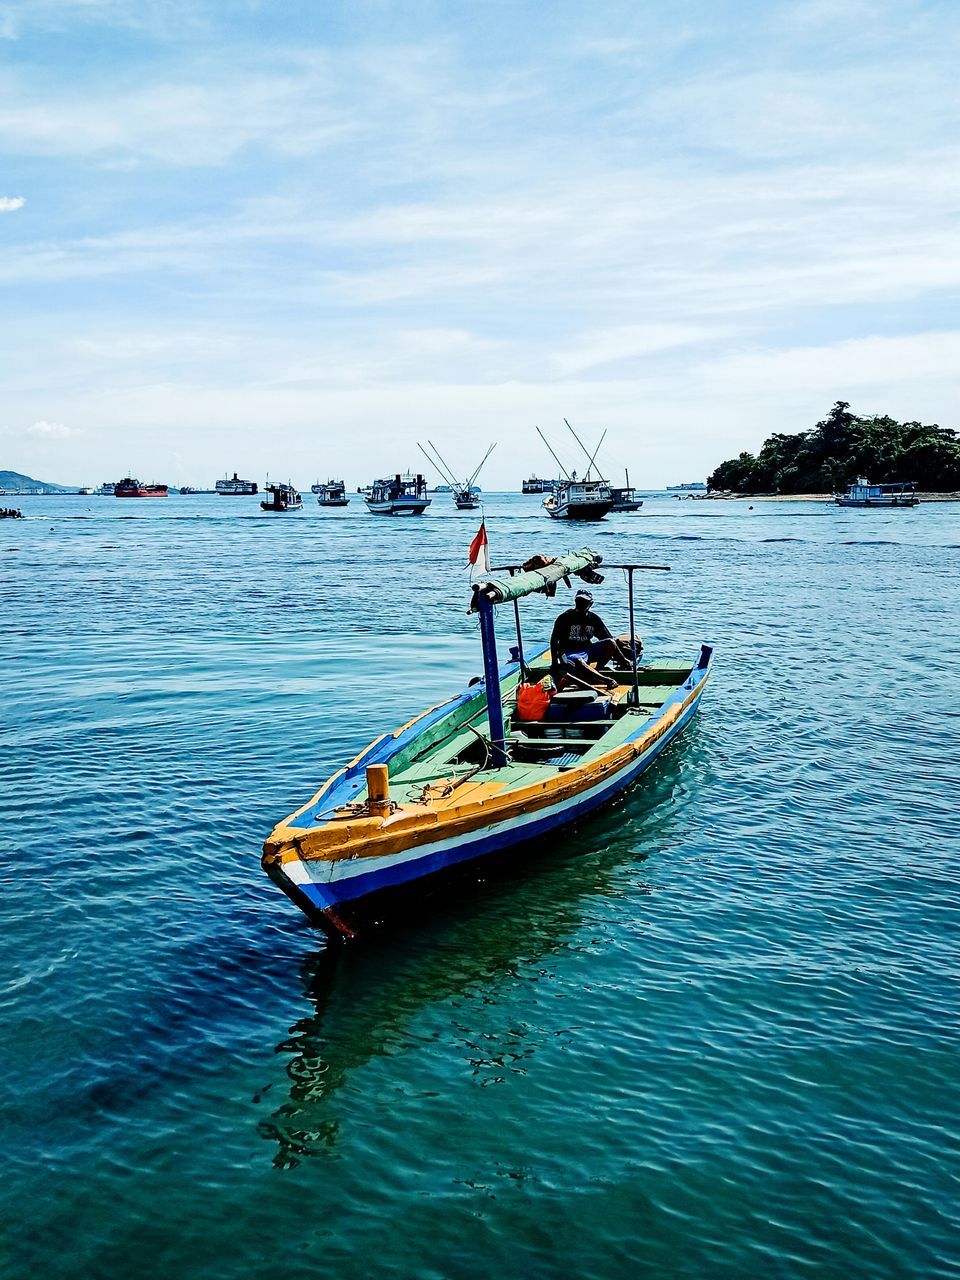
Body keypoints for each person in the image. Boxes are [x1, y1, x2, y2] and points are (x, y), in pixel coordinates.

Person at [550, 590, 635, 690]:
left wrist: (623, 660)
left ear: (590, 604)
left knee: (611, 643)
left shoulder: (593, 619)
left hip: (587, 650)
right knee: (577, 660)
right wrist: (554, 662)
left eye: (584, 602)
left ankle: (595, 671)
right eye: (578, 601)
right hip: (569, 652)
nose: (580, 604)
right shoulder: (564, 618)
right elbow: (554, 640)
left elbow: (608, 639)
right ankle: (606, 680)